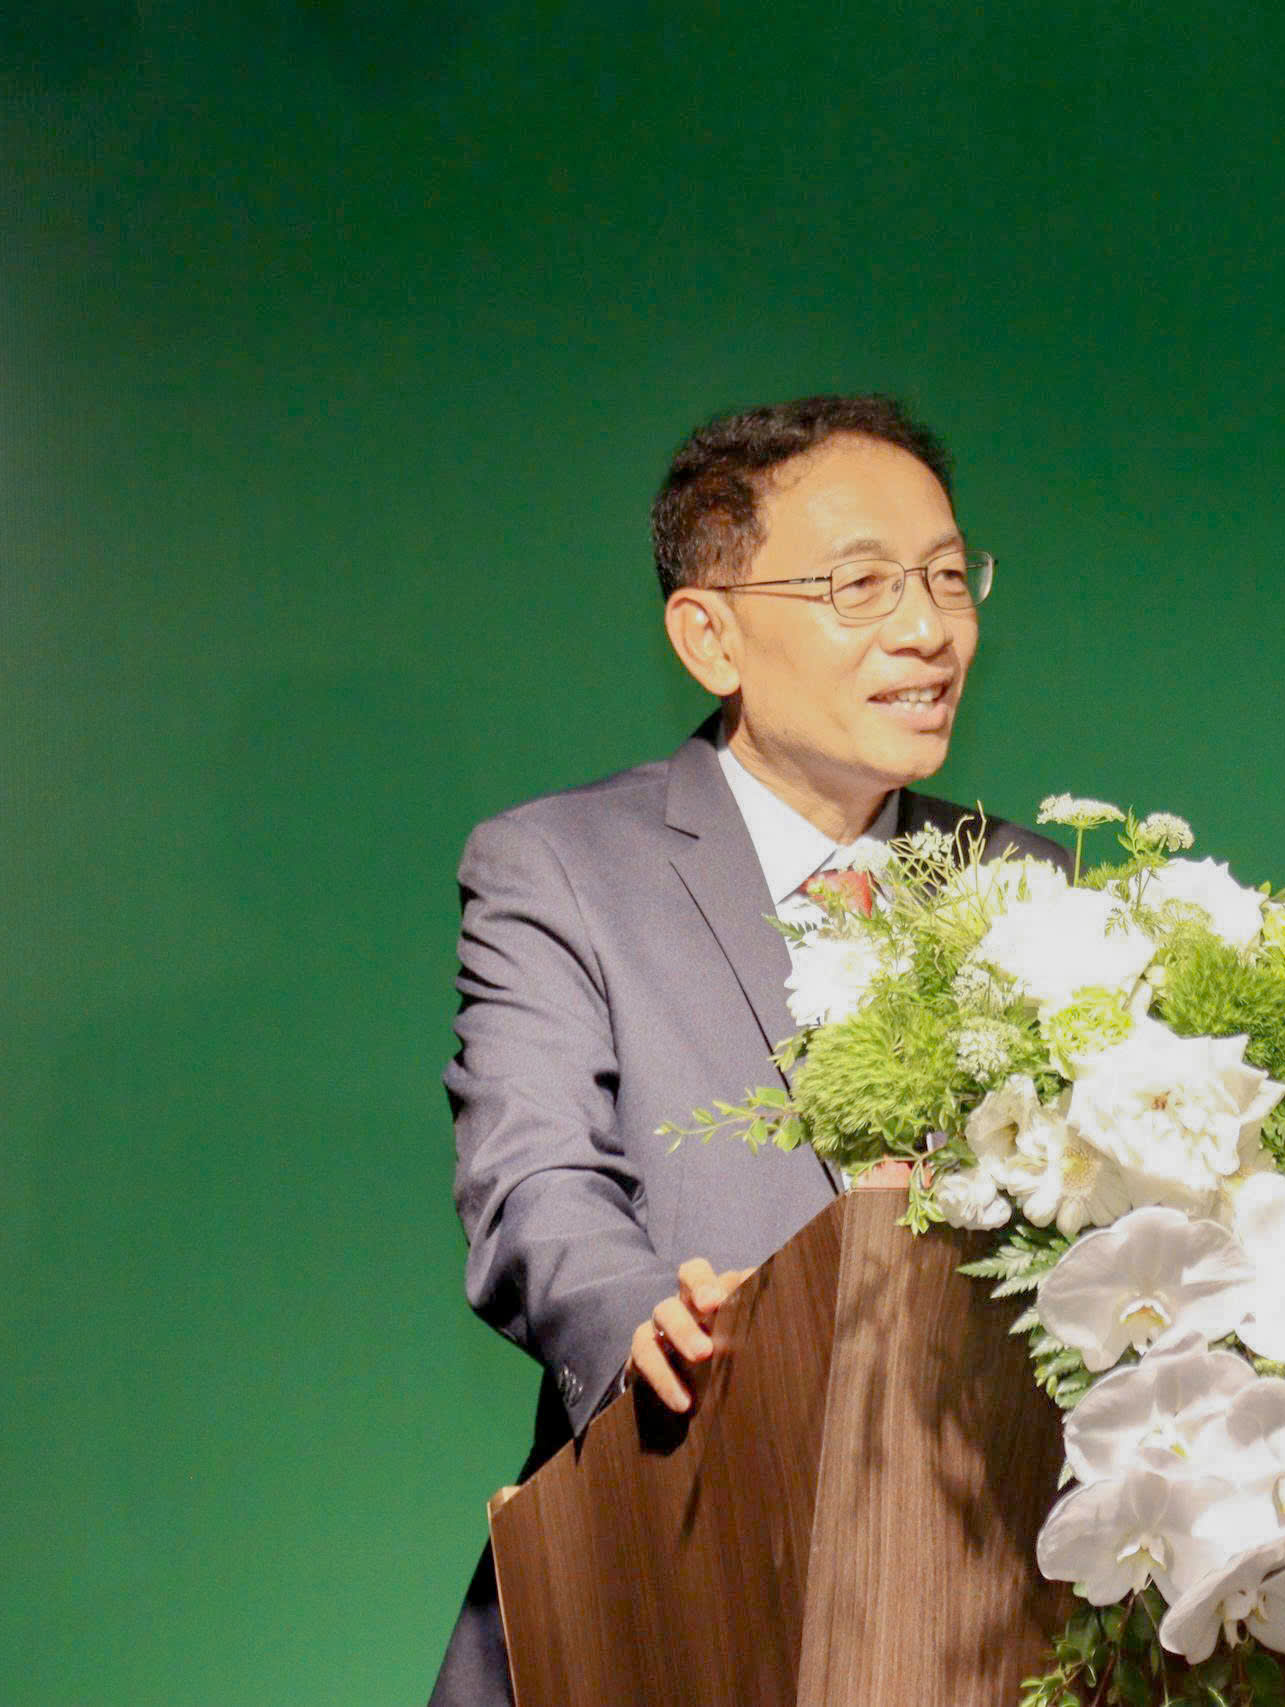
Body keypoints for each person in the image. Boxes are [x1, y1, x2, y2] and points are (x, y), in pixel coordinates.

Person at [426, 394, 1062, 1707]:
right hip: (669, 1567)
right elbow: (533, 1180)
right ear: (710, 636)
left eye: (950, 578)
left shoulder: (1029, 883)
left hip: (972, 1604)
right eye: (861, 586)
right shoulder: (560, 867)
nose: (930, 630)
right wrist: (640, 1316)